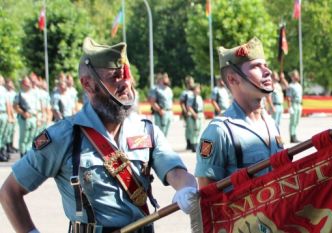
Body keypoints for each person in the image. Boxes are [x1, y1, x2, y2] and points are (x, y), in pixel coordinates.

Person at [0, 38, 198, 233]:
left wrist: (186, 188)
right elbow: (10, 192)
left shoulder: (145, 130)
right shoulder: (63, 136)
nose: (125, 84)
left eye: (127, 76)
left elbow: (176, 173)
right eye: (115, 77)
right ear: (88, 84)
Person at [195, 37, 283, 187]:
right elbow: (207, 196)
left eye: (265, 65)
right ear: (232, 79)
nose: (267, 71)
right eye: (256, 66)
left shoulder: (271, 123)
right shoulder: (219, 131)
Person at [13, 76, 40, 157]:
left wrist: (38, 119)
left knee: (32, 137)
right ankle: (23, 154)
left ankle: (29, 153)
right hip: (24, 118)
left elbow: (37, 108)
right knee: (24, 138)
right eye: (26, 83)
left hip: (33, 117)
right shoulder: (19, 94)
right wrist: (22, 113)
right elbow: (15, 106)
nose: (28, 84)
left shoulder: (34, 94)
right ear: (23, 84)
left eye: (29, 82)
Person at [0, 75, 15, 162]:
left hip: (4, 114)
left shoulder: (3, 90)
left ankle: (2, 151)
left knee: (4, 134)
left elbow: (8, 104)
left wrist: (10, 116)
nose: (2, 81)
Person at [179, 76, 196, 151]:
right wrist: (185, 112)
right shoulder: (185, 93)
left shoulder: (194, 91)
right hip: (188, 113)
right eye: (192, 82)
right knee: (189, 128)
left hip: (194, 112)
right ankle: (189, 143)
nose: (193, 83)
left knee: (194, 128)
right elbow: (182, 103)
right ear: (188, 83)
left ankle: (193, 141)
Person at [286, 69, 302, 143]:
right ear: (292, 77)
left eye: (297, 75)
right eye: (295, 75)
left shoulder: (299, 85)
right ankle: (292, 136)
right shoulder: (290, 86)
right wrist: (290, 107)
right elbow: (288, 98)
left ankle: (295, 134)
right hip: (293, 104)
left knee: (297, 121)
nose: (297, 77)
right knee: (293, 121)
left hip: (299, 104)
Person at [4, 79, 18, 155]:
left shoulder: (14, 93)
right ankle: (7, 147)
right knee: (7, 132)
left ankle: (11, 146)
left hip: (15, 113)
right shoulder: (6, 93)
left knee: (12, 131)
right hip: (9, 113)